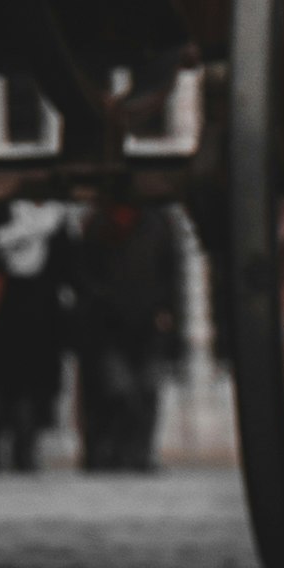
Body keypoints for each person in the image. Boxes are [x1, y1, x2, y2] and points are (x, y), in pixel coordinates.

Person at [67, 202, 185, 472]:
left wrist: (168, 314)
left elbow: (171, 273)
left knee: (146, 391)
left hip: (150, 323)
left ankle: (138, 453)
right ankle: (107, 452)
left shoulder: (158, 223)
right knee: (115, 392)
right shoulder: (96, 224)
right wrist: (103, 304)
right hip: (108, 325)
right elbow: (84, 276)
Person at [0, 200, 72, 471]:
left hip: (4, 323)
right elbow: (69, 272)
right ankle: (21, 453)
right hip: (33, 324)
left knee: (5, 394)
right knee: (24, 394)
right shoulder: (55, 225)